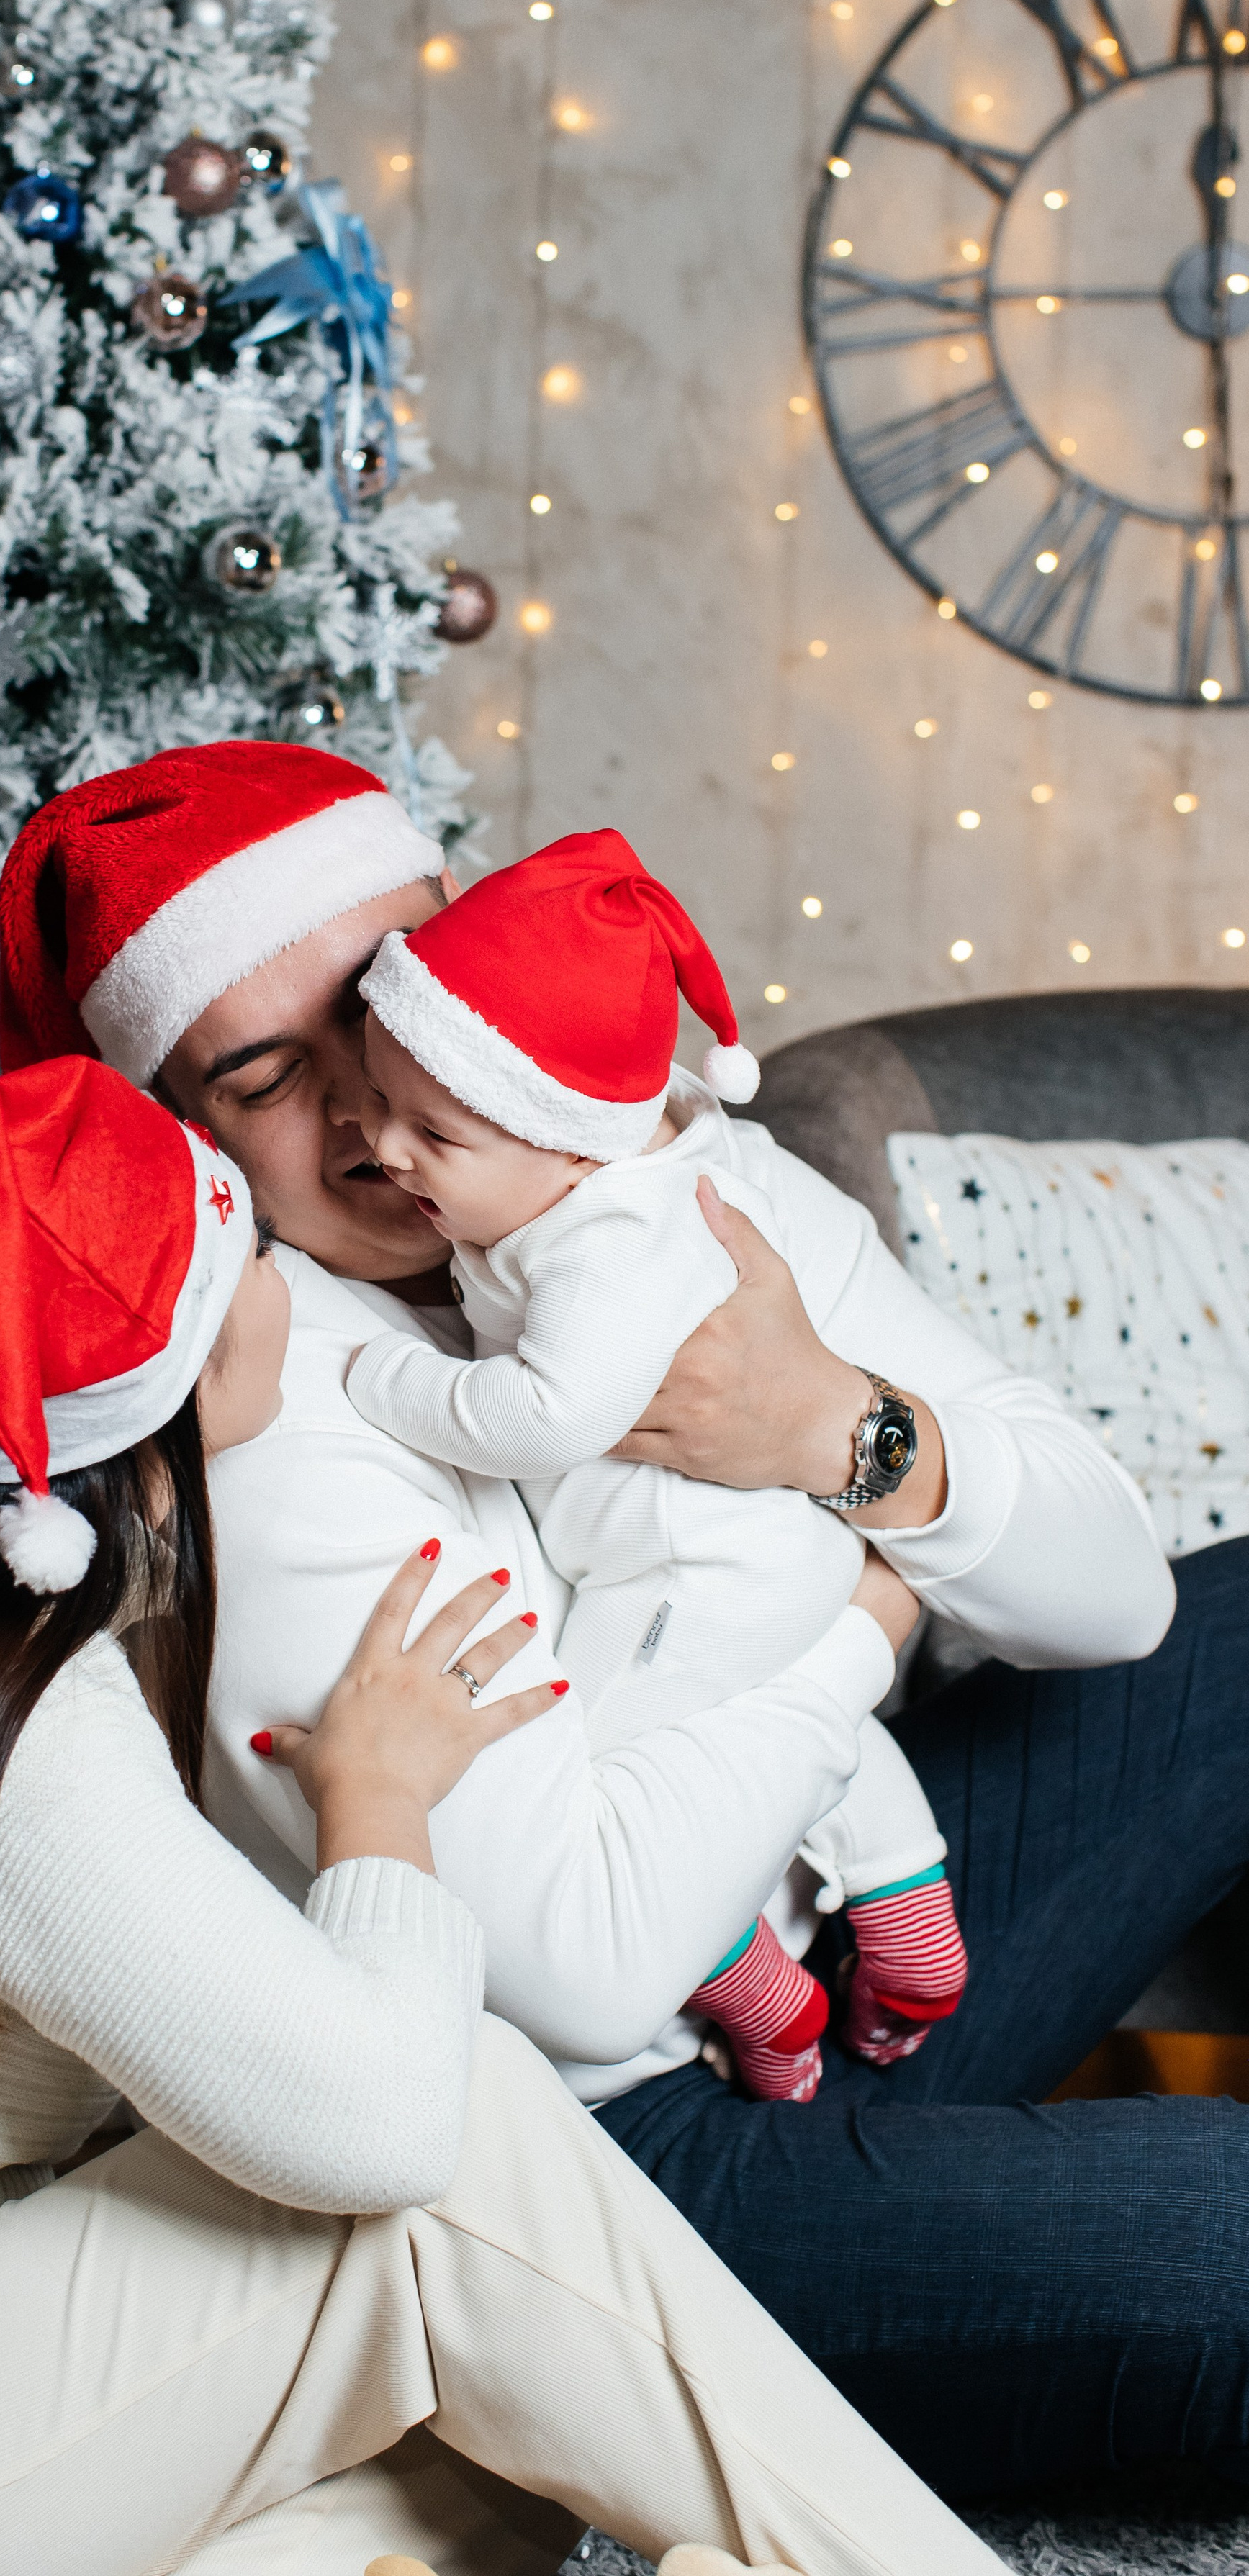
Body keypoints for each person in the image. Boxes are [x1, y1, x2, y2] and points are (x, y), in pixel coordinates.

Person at [0, 1056, 1001, 2576]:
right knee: (463, 2144)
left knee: (494, 2452)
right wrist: (377, 1799)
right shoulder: (7, 1727)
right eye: (258, 1256)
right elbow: (385, 2129)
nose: (294, 1285)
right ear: (199, 1366)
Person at [0, 739, 1249, 2503]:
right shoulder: (269, 1402)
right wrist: (857, 1628)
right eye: (268, 1076)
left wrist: (833, 1427)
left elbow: (1114, 1596)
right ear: (185, 1140)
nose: (368, 1109)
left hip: (852, 1936)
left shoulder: (673, 1181)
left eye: (385, 994)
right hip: (610, 2169)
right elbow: (590, 1978)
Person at [347, 827, 969, 2102]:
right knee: (765, 1708)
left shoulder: (605, 1246)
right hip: (762, 1563)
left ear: (569, 1140)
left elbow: (548, 1415)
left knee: (596, 1789)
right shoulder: (609, 1167)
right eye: (377, 1101)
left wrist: (388, 1380)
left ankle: (751, 1982)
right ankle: (908, 1907)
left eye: (431, 1134)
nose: (383, 1147)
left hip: (690, 1575)